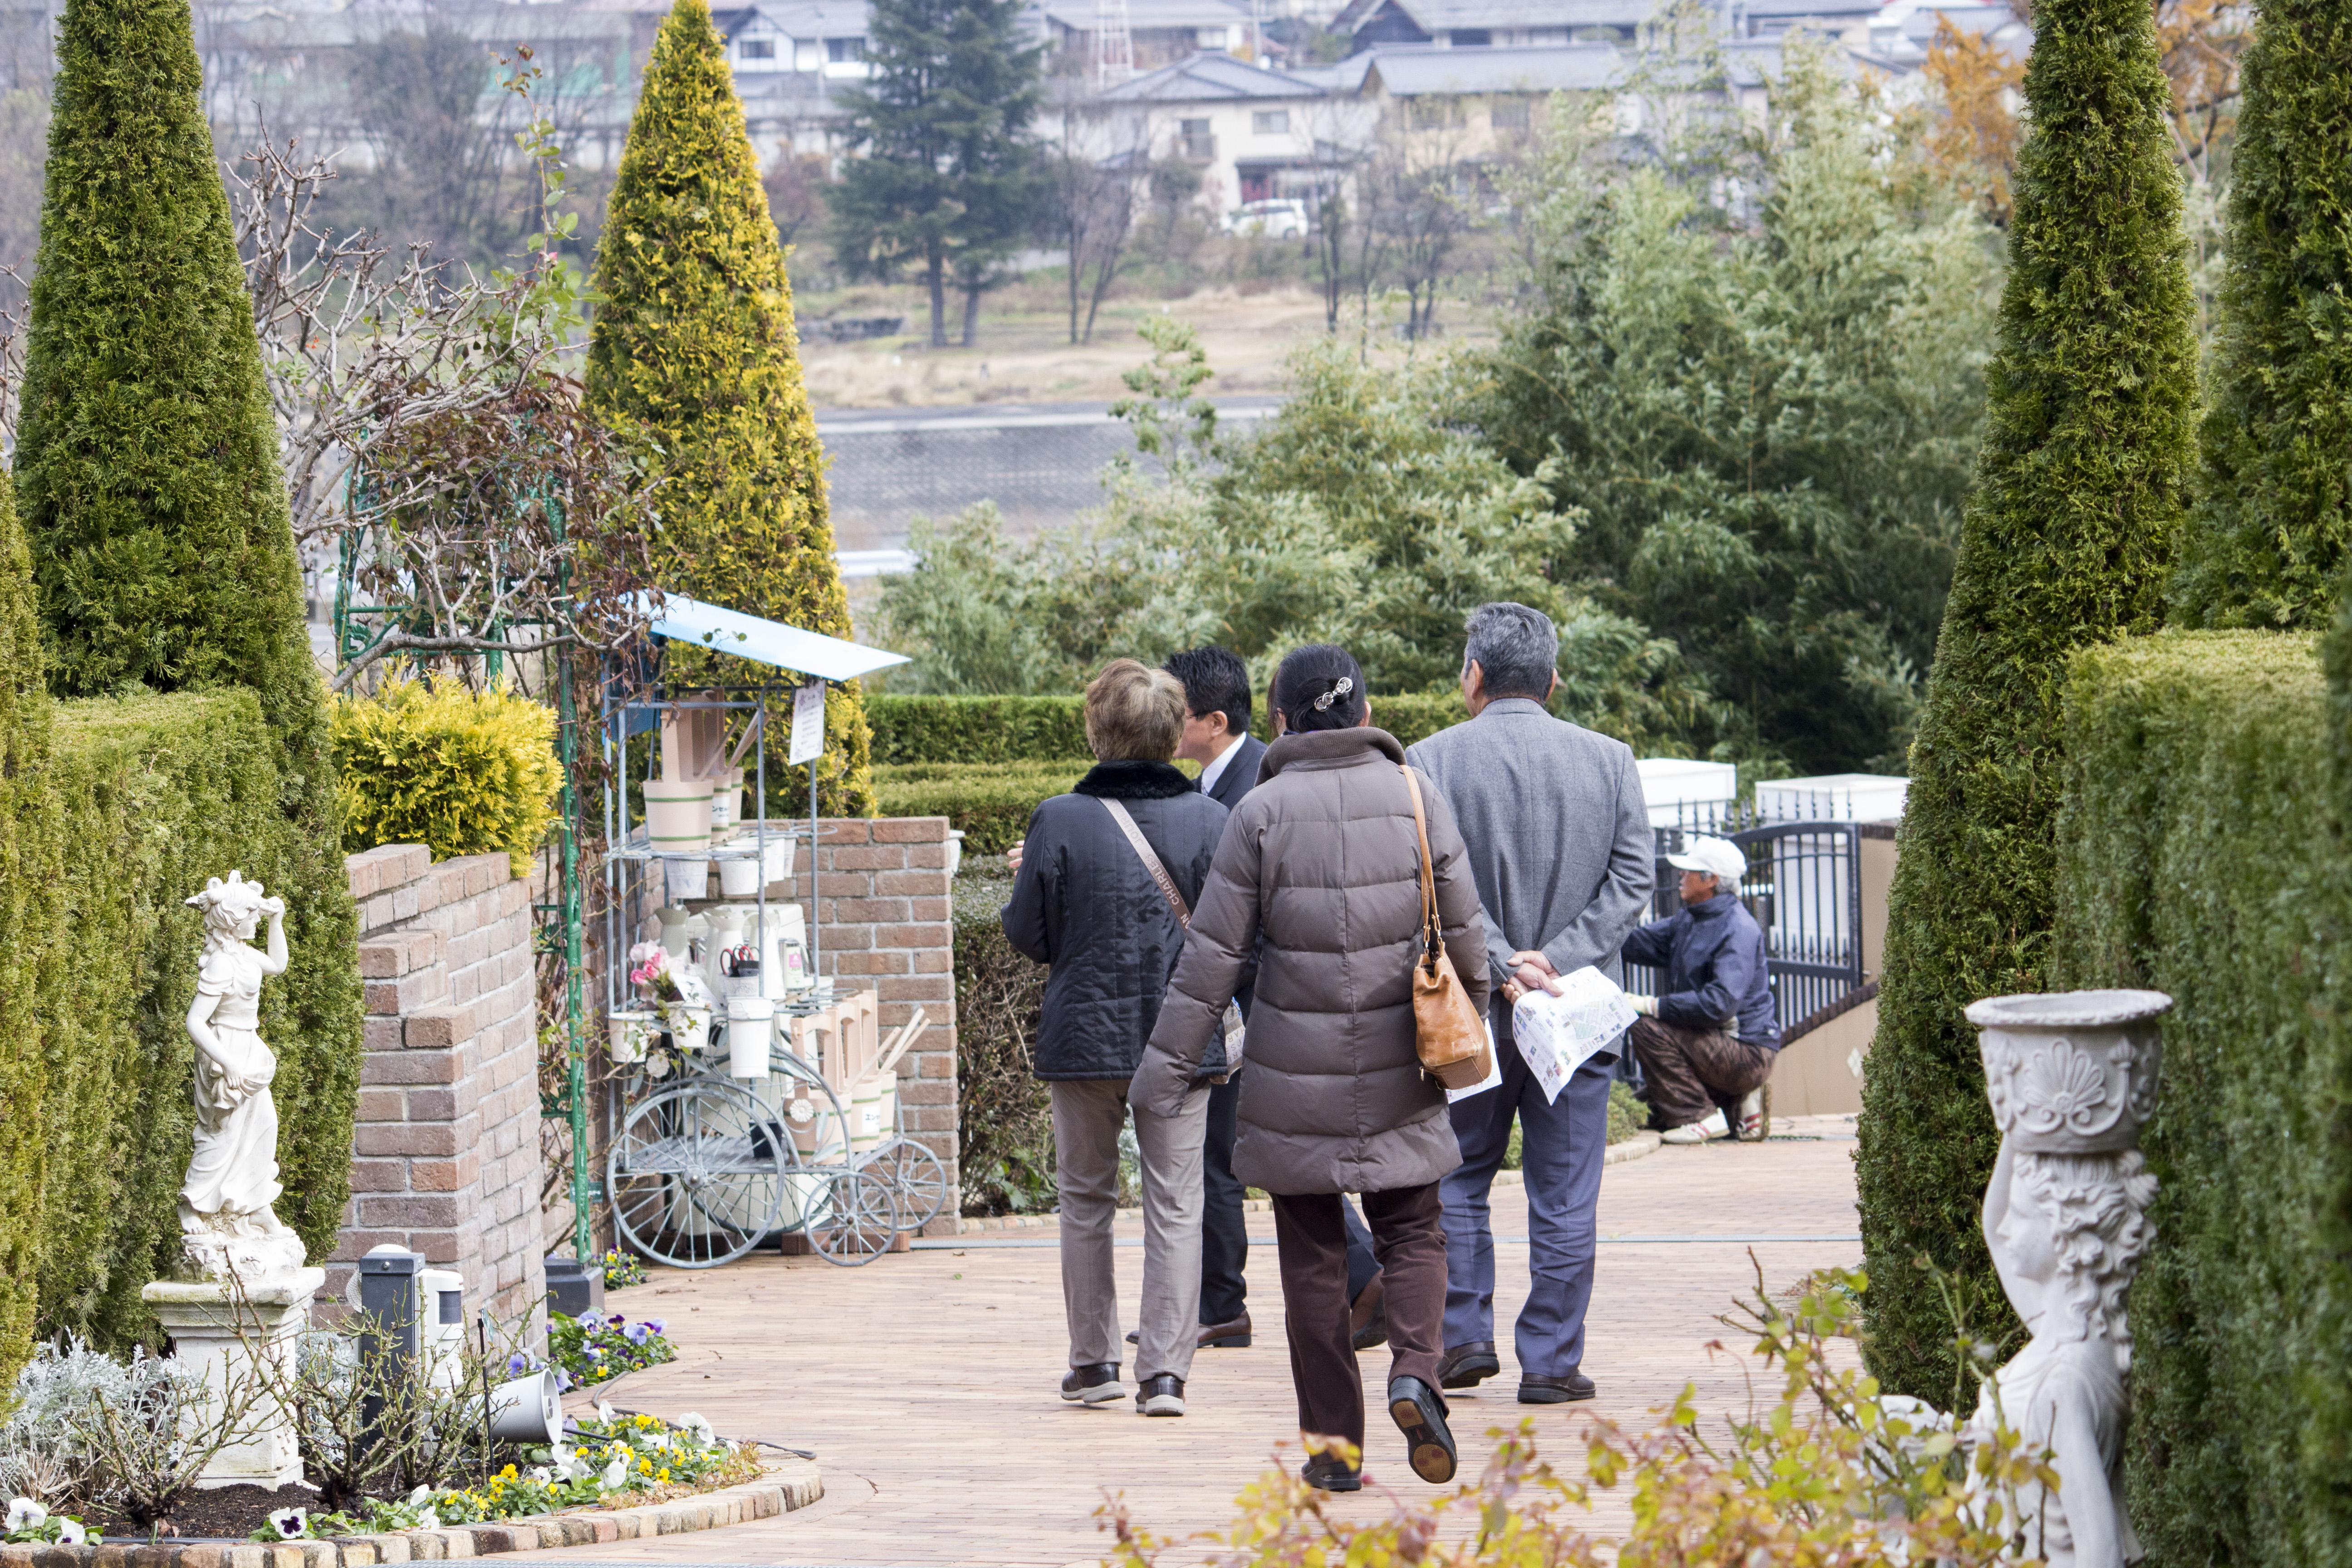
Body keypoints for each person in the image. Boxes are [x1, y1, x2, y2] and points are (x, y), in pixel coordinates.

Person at [1135, 644, 1487, 1493]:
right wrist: (1465, 1021)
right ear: (1364, 714)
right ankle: (1414, 1372)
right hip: (1403, 1061)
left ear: (1282, 721)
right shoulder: (1416, 796)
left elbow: (1210, 960)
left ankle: (1334, 1452)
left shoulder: (1257, 812)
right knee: (1412, 1229)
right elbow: (1469, 936)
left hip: (1290, 1076)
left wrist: (1161, 1073)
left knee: (1311, 1260)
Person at [1404, 602, 1652, 1405]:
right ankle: (1549, 1362)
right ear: (1552, 679)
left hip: (1470, 1012)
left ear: (1471, 674)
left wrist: (1504, 961)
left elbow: (1428, 885)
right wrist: (1559, 958)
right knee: (1564, 1192)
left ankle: (1463, 1334)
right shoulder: (1610, 759)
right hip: (1575, 1018)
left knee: (1458, 1175)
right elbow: (1632, 880)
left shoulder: (1428, 760)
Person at [1002, 659, 1233, 1418]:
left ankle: (1093, 1360)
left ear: (1097, 728)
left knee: (1084, 1200)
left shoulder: (1058, 818)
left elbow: (1030, 938)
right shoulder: (1208, 820)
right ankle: (1164, 1373)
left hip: (1083, 1036)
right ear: (1174, 731)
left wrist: (1026, 881)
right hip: (1178, 1037)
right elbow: (1235, 940)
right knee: (1175, 1203)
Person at [1159, 646, 1388, 1355]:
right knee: (1262, 1156)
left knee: (1236, 1156)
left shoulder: (1263, 786)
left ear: (1215, 720)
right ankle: (1348, 1278)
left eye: (1179, 712)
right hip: (1254, 1008)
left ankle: (1236, 1301)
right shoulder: (1213, 786)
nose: (1167, 724)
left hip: (1268, 1010)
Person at [1620, 836, 1779, 1144]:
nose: (1681, 876)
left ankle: (1701, 1118)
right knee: (1649, 1109)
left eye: (1689, 871)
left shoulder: (1738, 929)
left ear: (1711, 880)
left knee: (1644, 1026)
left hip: (1746, 1053)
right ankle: (1739, 1107)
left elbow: (1719, 1004)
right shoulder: (1691, 919)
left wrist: (1651, 1005)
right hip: (1718, 1046)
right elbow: (1635, 943)